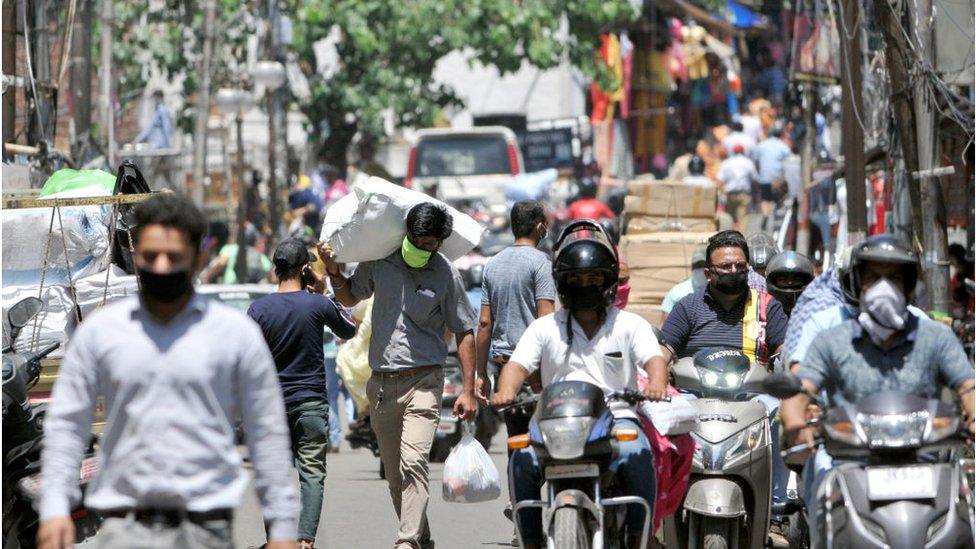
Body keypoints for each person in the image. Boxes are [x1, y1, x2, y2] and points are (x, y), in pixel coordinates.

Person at [37, 193, 299, 549]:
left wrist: (282, 532)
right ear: (134, 255)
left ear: (199, 259)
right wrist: (54, 507)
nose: (161, 267)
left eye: (174, 257)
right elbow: (67, 424)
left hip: (206, 531)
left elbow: (267, 436)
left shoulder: (235, 336)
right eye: (150, 256)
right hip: (123, 530)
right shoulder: (101, 333)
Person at [780, 235, 976, 547]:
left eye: (894, 278)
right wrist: (794, 423)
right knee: (820, 482)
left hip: (925, 460)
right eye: (873, 277)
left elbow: (968, 386)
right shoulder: (831, 339)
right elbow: (800, 390)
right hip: (846, 460)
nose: (884, 286)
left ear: (909, 285)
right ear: (858, 283)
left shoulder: (935, 336)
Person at [491, 220, 668, 549]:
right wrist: (506, 391)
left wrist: (657, 383)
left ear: (608, 280)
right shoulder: (545, 327)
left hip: (617, 418)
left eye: (593, 278)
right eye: (576, 278)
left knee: (638, 452)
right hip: (555, 421)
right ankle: (529, 539)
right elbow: (516, 366)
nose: (585, 284)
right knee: (522, 458)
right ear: (562, 282)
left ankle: (637, 537)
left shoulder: (629, 324)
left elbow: (654, 359)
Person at [324, 202, 479, 549]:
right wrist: (335, 273)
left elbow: (465, 330)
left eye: (431, 244)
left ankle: (406, 541)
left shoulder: (444, 273)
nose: (423, 248)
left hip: (424, 381)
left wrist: (468, 389)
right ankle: (422, 538)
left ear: (439, 243)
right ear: (407, 233)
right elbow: (351, 295)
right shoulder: (381, 262)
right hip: (382, 385)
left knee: (414, 462)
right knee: (394, 475)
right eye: (418, 240)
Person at [659, 230, 791, 542]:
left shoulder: (766, 307)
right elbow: (663, 352)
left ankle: (774, 511)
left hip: (752, 397)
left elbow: (786, 349)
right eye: (725, 267)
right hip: (695, 395)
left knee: (779, 416)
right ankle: (662, 507)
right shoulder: (688, 307)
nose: (734, 273)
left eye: (740, 267)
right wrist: (657, 381)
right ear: (708, 272)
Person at [247, 239, 357, 549]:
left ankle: (277, 542)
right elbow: (349, 329)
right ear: (305, 270)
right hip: (310, 403)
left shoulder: (258, 309)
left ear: (275, 270)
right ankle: (306, 541)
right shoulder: (317, 304)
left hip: (270, 407)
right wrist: (324, 292)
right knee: (312, 474)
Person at [752, 123, 792, 225]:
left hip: (764, 177)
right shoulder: (782, 146)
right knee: (778, 198)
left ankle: (765, 215)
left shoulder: (761, 145)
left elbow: (755, 160)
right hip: (778, 178)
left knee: (765, 198)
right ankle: (776, 217)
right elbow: (790, 159)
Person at [716, 144, 758, 229]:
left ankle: (731, 239)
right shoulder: (748, 162)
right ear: (743, 152)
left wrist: (721, 194)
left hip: (730, 195)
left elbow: (719, 181)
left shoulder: (727, 162)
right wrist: (755, 197)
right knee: (742, 219)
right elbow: (755, 180)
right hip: (744, 195)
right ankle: (741, 239)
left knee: (730, 219)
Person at [765, 251, 815, 316]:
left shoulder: (815, 311)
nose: (790, 283)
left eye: (796, 279)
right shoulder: (764, 310)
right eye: (783, 279)